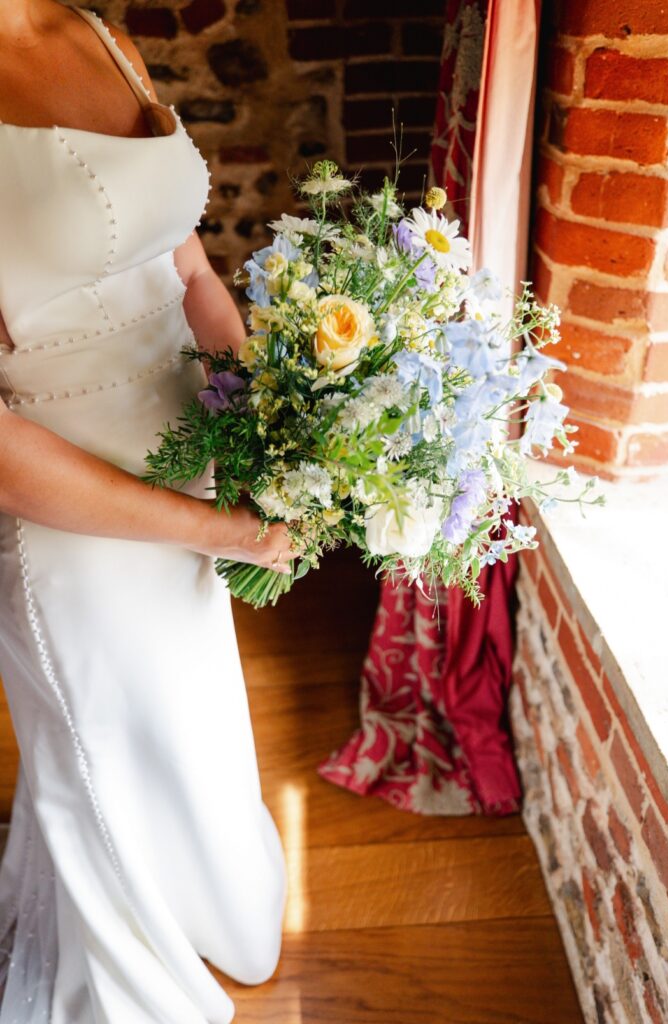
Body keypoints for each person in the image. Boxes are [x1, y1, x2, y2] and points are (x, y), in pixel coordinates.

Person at [0, 2, 296, 1020]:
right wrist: (218, 529)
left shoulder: (93, 26)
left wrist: (273, 430)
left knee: (186, 717)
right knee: (102, 742)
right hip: (67, 511)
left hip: (195, 456)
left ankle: (205, 904)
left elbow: (191, 271)